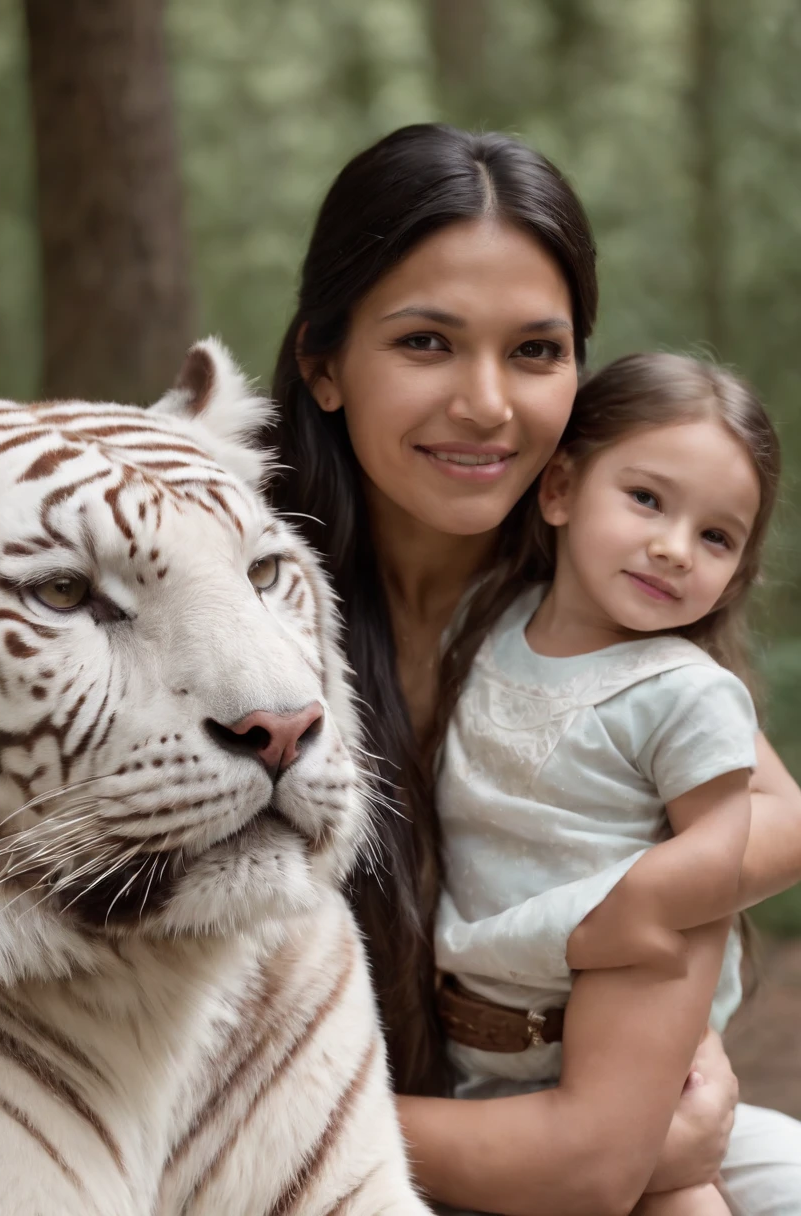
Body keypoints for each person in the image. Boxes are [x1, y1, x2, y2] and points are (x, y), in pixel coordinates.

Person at [265, 123, 801, 1214]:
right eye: (426, 342)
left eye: (534, 351)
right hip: (318, 1150)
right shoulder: (242, 614)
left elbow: (772, 814)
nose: (488, 404)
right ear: (323, 362)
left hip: (553, 1115)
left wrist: (639, 909)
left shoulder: (595, 613)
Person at [434, 351, 781, 1216]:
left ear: (735, 574)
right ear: (558, 493)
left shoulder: (686, 691)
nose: (672, 548)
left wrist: (618, 918)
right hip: (480, 1036)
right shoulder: (486, 622)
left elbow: (722, 840)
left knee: (677, 1197)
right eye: (647, 500)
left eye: (715, 536)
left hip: (615, 1028)